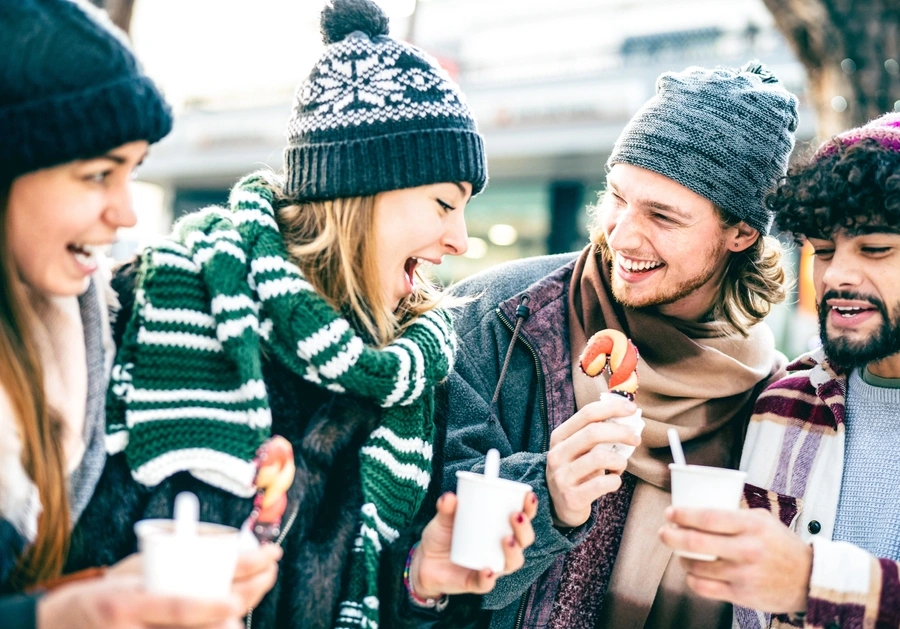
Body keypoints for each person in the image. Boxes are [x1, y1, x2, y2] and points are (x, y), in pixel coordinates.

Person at [67, 1, 537, 627]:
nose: (461, 240)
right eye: (444, 204)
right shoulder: (160, 303)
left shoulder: (416, 374)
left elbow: (382, 598)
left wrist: (421, 578)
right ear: (361, 193)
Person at [443, 63, 799, 628]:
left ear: (742, 233)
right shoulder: (500, 318)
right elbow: (418, 557)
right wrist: (547, 497)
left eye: (663, 216)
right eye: (617, 197)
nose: (623, 234)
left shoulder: (771, 395)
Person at [659, 110, 900, 629]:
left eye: (876, 248)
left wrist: (813, 582)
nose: (837, 275)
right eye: (822, 250)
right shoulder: (782, 401)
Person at [0, 1, 281, 628]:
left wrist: (112, 588)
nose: (127, 214)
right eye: (97, 174)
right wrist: (66, 616)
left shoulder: (67, 342)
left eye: (132, 173)